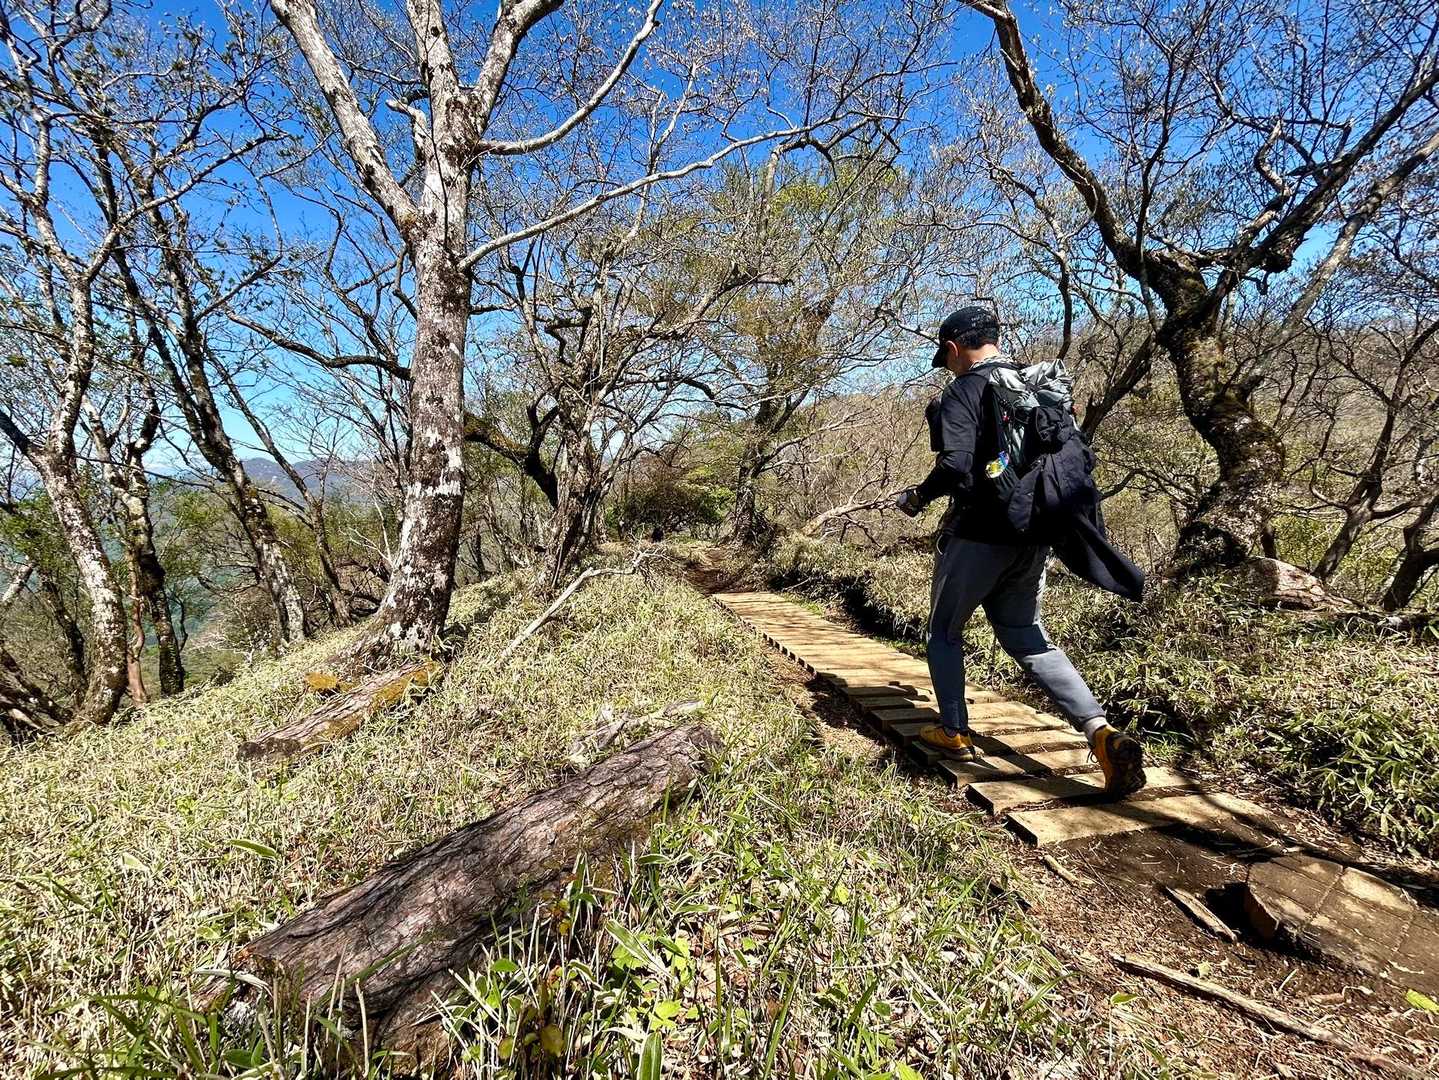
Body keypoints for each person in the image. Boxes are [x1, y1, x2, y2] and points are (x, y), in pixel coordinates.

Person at [894, 306, 1145, 798]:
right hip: (1032, 534)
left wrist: (918, 497)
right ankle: (1100, 732)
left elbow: (956, 464)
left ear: (953, 349)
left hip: (977, 535)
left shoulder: (963, 390)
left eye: (946, 357)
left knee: (943, 632)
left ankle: (954, 731)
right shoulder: (1032, 387)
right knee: (1028, 638)